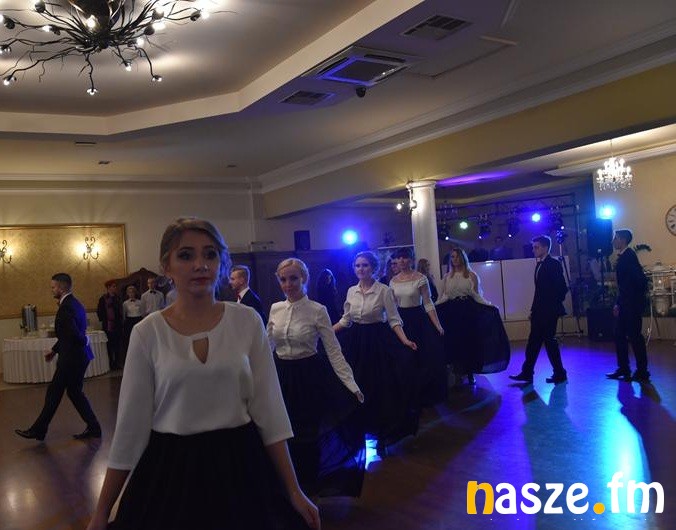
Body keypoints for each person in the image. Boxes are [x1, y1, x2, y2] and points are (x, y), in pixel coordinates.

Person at [86, 217, 318, 530]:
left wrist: (294, 490)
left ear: (221, 264)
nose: (200, 264)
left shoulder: (247, 321)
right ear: (166, 266)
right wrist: (102, 511)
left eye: (210, 254)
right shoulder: (148, 333)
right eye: (186, 255)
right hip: (171, 471)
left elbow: (270, 411)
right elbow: (131, 427)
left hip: (241, 466)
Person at [268, 258, 365, 498]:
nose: (288, 284)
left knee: (307, 435)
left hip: (308, 377)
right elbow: (267, 347)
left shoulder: (317, 310)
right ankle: (289, 487)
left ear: (304, 279)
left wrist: (351, 384)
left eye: (293, 278)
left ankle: (308, 489)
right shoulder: (275, 308)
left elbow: (334, 351)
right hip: (281, 376)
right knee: (282, 432)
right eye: (283, 279)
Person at [333, 251, 419, 455]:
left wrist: (405, 340)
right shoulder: (351, 291)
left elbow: (393, 319)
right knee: (355, 386)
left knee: (379, 388)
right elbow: (346, 320)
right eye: (357, 265)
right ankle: (358, 434)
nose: (361, 269)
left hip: (376, 341)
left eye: (365, 265)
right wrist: (326, 332)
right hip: (355, 341)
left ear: (373, 268)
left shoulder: (384, 290)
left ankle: (381, 436)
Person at [15, 273, 101, 441]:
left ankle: (39, 430)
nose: (52, 290)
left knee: (55, 393)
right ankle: (94, 427)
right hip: (77, 357)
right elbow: (67, 335)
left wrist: (85, 340)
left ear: (61, 288)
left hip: (71, 359)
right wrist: (54, 350)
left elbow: (74, 335)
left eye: (53, 287)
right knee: (72, 393)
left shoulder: (66, 307)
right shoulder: (74, 303)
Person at [436, 248, 510, 385]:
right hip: (452, 312)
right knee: (454, 342)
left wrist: (490, 305)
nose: (455, 259)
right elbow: (444, 296)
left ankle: (470, 372)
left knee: (468, 341)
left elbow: (476, 295)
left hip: (468, 311)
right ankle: (457, 374)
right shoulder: (447, 277)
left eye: (457, 257)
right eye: (452, 257)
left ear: (462, 258)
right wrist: (434, 307)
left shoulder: (471, 275)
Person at [389, 247, 447, 407]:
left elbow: (428, 303)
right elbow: (393, 305)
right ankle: (408, 395)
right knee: (404, 358)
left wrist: (437, 325)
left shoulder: (421, 278)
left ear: (411, 260)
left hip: (418, 319)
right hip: (401, 321)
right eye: (399, 258)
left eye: (404, 257)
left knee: (422, 358)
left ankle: (423, 394)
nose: (401, 261)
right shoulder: (393, 281)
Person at [510, 235, 568, 385]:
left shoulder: (553, 264)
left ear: (545, 248)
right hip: (540, 312)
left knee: (548, 342)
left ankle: (558, 373)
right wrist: (534, 310)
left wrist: (550, 307)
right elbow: (539, 292)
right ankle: (528, 372)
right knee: (534, 343)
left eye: (536, 247)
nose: (533, 250)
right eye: (533, 247)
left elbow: (562, 288)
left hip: (548, 312)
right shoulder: (540, 264)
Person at [606, 229, 650, 382]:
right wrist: (619, 303)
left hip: (630, 305)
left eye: (615, 238)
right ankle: (624, 368)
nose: (613, 241)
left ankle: (641, 371)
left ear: (622, 240)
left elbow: (635, 282)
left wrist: (625, 302)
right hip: (626, 303)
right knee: (620, 335)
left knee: (634, 336)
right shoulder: (626, 256)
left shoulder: (628, 257)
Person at [96, 279, 123, 370]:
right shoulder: (103, 299)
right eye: (113, 286)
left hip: (118, 325)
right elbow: (100, 312)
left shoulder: (118, 298)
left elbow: (120, 311)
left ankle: (117, 363)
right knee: (110, 345)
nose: (115, 288)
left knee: (117, 345)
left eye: (115, 286)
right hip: (108, 325)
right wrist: (106, 319)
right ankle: (111, 363)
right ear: (108, 288)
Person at [121, 284, 143, 367]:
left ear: (135, 293)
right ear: (127, 293)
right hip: (129, 322)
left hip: (138, 320)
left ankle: (140, 357)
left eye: (132, 292)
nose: (131, 294)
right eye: (129, 292)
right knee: (130, 340)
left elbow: (142, 312)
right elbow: (124, 315)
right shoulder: (125, 303)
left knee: (139, 339)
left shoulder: (140, 302)